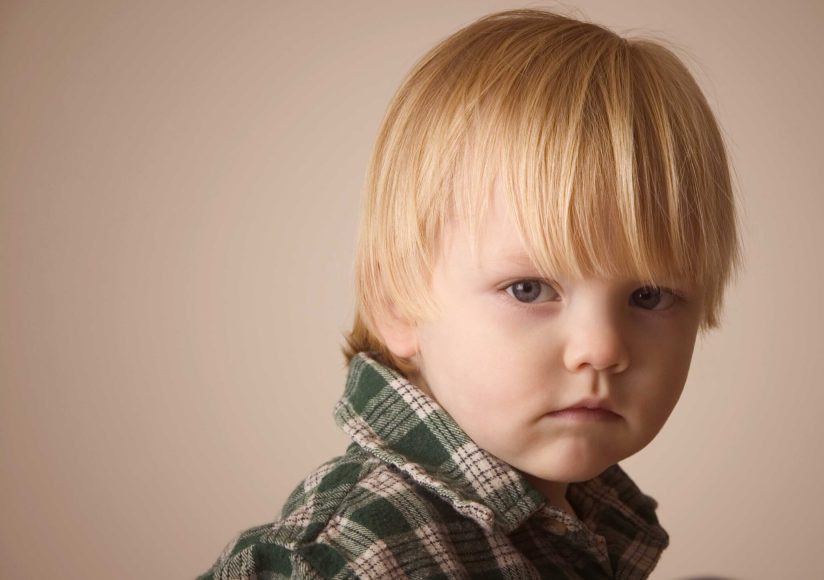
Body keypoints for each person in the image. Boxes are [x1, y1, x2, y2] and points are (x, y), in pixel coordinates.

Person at [199, 7, 740, 579]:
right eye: (530, 289)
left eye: (649, 297)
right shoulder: (347, 558)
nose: (602, 349)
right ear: (398, 304)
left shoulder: (580, 523)